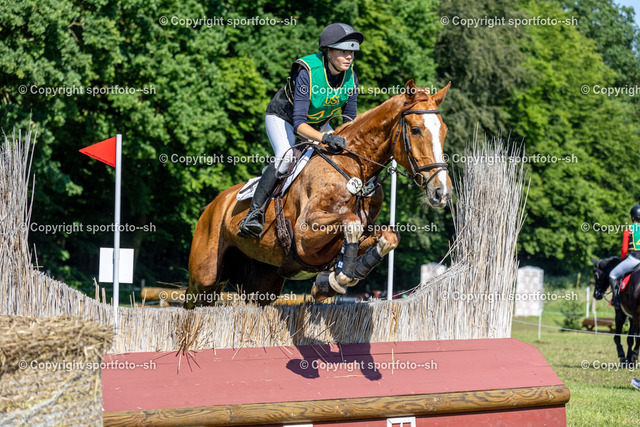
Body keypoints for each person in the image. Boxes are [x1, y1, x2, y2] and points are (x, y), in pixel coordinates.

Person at [238, 23, 363, 239]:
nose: (349, 57)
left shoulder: (350, 78)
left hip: (318, 123)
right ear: (328, 51)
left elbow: (349, 122)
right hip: (284, 118)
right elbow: (299, 125)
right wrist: (326, 138)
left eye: (351, 52)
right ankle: (254, 214)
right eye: (343, 51)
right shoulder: (307, 72)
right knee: (285, 158)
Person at [609, 205, 640, 306]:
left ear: (633, 217)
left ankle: (616, 301)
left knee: (612, 275)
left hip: (634, 259)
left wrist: (622, 258)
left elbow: (624, 250)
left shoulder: (629, 229)